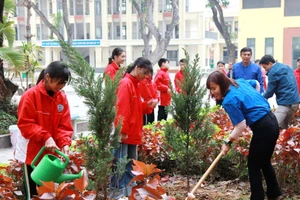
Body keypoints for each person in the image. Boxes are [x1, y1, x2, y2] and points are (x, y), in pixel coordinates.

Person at [206, 71, 281, 200]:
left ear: (222, 84)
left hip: (263, 128)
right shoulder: (238, 82)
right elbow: (256, 84)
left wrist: (227, 142)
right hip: (272, 121)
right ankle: (274, 193)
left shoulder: (229, 100)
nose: (212, 92)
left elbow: (241, 125)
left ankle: (257, 197)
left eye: (214, 88)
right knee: (263, 161)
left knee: (253, 164)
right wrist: (256, 100)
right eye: (210, 89)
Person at [15, 61, 73, 199]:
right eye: (59, 83)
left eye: (64, 83)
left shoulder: (62, 98)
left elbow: (64, 126)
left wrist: (65, 143)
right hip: (32, 155)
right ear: (47, 77)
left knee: (50, 193)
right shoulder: (30, 96)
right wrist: (46, 137)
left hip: (51, 157)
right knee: (34, 194)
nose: (61, 87)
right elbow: (25, 124)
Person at [110, 57, 157, 199]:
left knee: (130, 166)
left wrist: (147, 106)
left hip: (132, 132)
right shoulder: (126, 83)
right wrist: (122, 131)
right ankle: (117, 193)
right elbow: (122, 109)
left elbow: (134, 109)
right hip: (126, 133)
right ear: (137, 68)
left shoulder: (134, 84)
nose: (144, 77)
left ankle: (128, 193)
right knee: (121, 165)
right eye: (144, 73)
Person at [260, 55, 299, 129]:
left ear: (270, 63)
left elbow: (270, 91)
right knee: (284, 127)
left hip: (285, 103)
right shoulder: (287, 67)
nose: (265, 70)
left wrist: (261, 98)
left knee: (273, 126)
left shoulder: (273, 72)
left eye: (265, 67)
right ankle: (284, 140)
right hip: (295, 102)